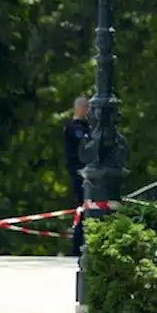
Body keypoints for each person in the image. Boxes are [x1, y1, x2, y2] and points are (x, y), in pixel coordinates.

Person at [63, 96, 91, 257]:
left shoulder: (88, 126)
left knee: (88, 207)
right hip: (79, 173)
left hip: (87, 173)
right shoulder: (73, 127)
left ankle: (83, 242)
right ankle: (77, 245)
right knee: (83, 207)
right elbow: (84, 144)